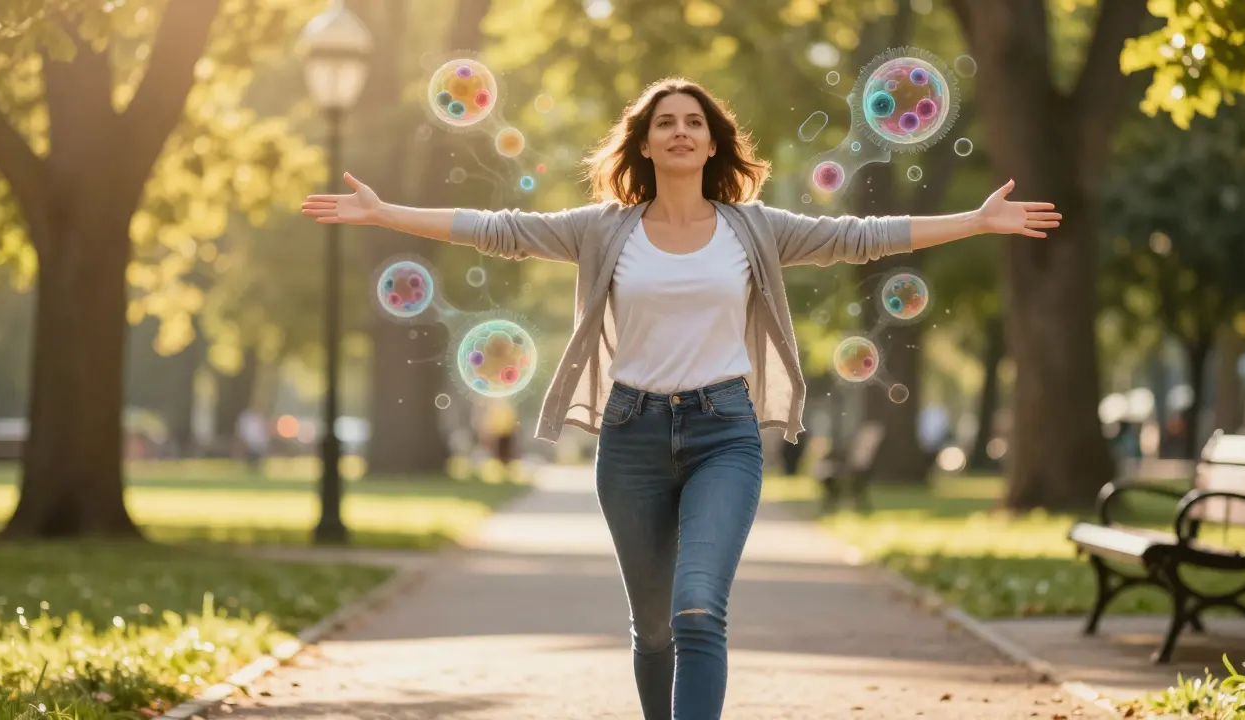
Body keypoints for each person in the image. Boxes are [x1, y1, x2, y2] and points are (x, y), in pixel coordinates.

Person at [301, 77, 1060, 720]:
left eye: (694, 122)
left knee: (699, 609)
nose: (680, 131)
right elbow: (499, 228)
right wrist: (385, 212)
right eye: (665, 122)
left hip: (724, 433)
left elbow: (862, 235)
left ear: (713, 142)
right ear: (643, 143)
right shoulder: (603, 230)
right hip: (629, 436)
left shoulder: (754, 229)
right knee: (655, 626)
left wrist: (977, 222)